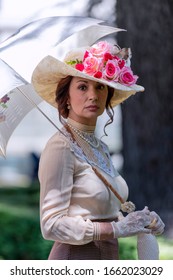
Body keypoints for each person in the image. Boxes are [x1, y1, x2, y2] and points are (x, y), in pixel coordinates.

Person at [31, 39, 165, 260]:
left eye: (100, 86)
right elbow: (51, 225)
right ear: (66, 97)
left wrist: (139, 221)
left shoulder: (100, 146)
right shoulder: (61, 146)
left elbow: (102, 214)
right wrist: (116, 230)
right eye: (82, 87)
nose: (93, 95)